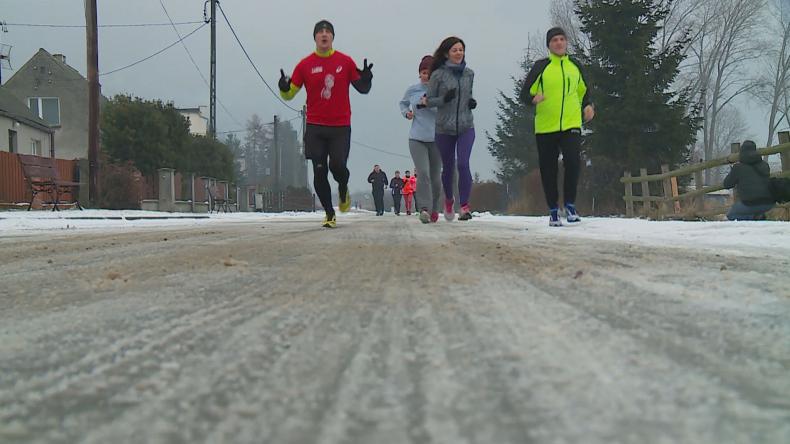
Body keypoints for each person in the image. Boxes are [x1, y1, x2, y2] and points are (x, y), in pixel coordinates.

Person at [279, 20, 373, 228]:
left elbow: (363, 89)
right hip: (315, 127)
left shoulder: (345, 62)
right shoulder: (305, 65)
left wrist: (366, 79)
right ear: (315, 37)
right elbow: (289, 94)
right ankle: (330, 213)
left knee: (337, 166)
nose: (324, 34)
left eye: (328, 31)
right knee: (319, 170)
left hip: (340, 126)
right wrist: (284, 87)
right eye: (320, 32)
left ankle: (343, 188)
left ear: (332, 37)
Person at [520, 27, 594, 227]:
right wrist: (533, 98)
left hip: (571, 123)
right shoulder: (541, 67)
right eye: (554, 40)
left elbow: (584, 91)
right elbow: (524, 94)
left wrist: (588, 106)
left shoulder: (575, 66)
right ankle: (553, 209)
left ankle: (570, 205)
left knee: (573, 161)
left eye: (562, 39)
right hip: (546, 126)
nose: (559, 43)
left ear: (566, 42)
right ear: (549, 45)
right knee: (549, 169)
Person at [421, 37, 476, 221]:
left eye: (461, 49)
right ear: (446, 54)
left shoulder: (469, 74)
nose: (459, 53)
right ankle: (449, 200)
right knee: (449, 167)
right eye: (455, 50)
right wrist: (444, 99)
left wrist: (471, 102)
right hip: (444, 128)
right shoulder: (438, 75)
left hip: (466, 125)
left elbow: (468, 95)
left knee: (463, 164)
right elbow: (428, 101)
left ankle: (465, 206)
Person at [723, 140, 775, 220]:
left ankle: (754, 217)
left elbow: (727, 184)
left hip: (749, 203)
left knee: (731, 215)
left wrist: (733, 170)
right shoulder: (764, 165)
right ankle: (758, 218)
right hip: (768, 203)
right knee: (752, 210)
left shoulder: (738, 167)